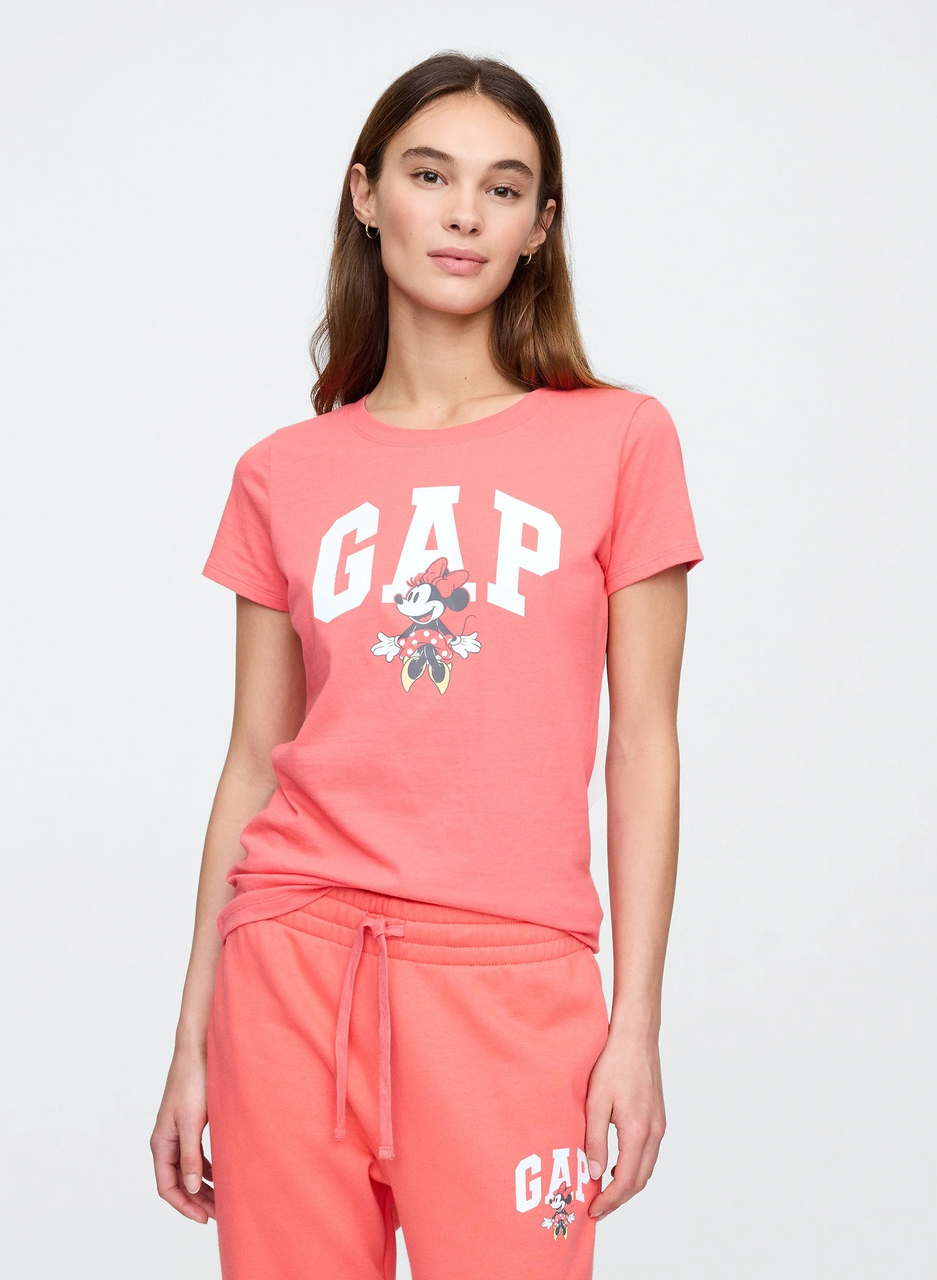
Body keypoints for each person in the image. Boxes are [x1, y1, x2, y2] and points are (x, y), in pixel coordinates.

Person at [150, 50, 704, 1280]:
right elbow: (252, 763)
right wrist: (190, 1040)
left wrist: (636, 1025)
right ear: (366, 194)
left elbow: (644, 745)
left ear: (539, 227)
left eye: (503, 188)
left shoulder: (621, 440)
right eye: (429, 175)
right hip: (288, 972)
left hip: (511, 984)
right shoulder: (282, 472)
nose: (464, 213)